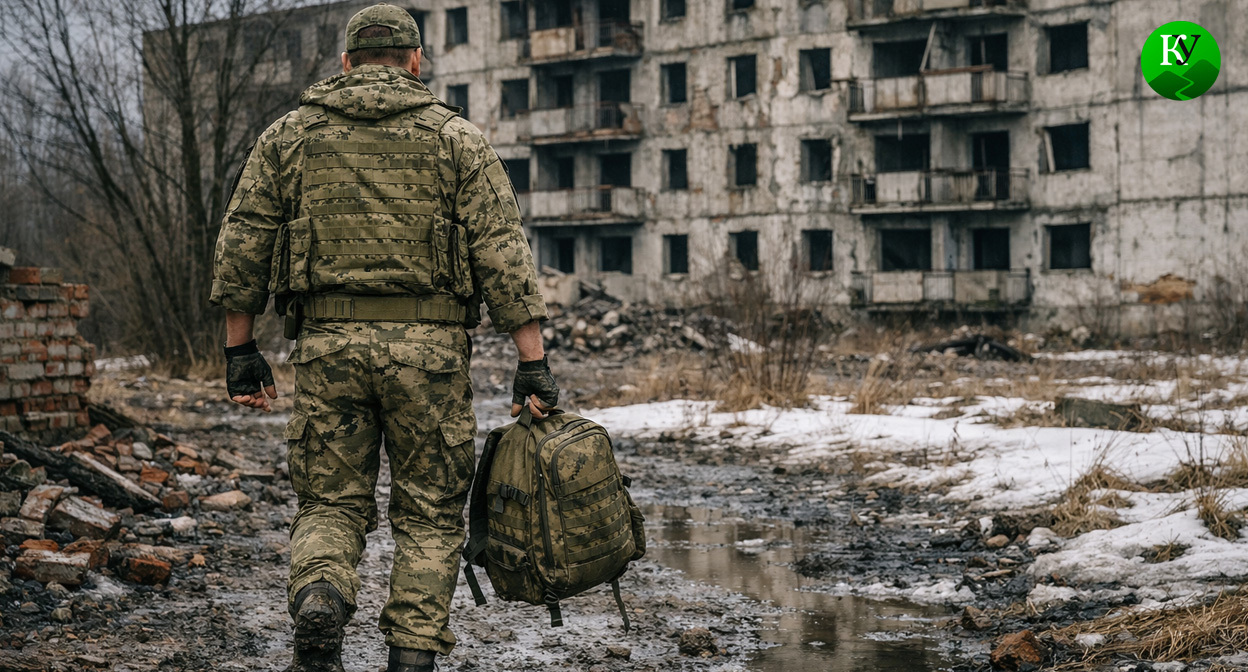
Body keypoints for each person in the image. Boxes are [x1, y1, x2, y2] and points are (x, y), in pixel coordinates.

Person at [209, 4, 559, 671]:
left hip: (327, 351)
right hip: (428, 357)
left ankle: (320, 594)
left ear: (345, 63)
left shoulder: (288, 136)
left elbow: (243, 241)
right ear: (415, 61)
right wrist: (532, 364)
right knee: (429, 517)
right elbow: (503, 252)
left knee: (330, 502)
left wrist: (240, 349)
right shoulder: (457, 139)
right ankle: (411, 657)